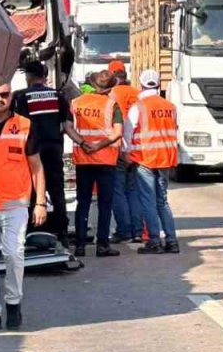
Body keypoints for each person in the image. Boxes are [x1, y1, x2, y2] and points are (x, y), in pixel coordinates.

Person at [0, 75, 48, 332]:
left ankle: (13, 304)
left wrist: (40, 203)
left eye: (4, 94)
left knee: (14, 254)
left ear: (11, 95)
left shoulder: (24, 125)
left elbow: (36, 167)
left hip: (15, 204)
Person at [69, 71, 124, 257]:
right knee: (104, 203)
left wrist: (83, 143)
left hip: (83, 160)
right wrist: (99, 145)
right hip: (106, 161)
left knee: (83, 202)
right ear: (110, 88)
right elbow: (117, 133)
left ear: (93, 84)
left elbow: (67, 126)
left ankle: (80, 245)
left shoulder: (76, 103)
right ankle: (102, 245)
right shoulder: (112, 105)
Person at [127, 70, 181, 254]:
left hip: (145, 159)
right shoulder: (170, 107)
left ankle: (154, 241)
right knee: (162, 201)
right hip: (165, 158)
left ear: (141, 85)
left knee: (148, 202)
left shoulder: (138, 107)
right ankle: (172, 241)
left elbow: (127, 133)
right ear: (158, 85)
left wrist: (126, 153)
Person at [14, 60, 70, 239]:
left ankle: (33, 230)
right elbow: (67, 125)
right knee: (56, 190)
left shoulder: (21, 97)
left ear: (28, 76)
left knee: (32, 188)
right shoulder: (58, 96)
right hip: (54, 148)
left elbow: (18, 124)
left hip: (32, 148)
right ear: (44, 76)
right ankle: (62, 231)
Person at [107, 62, 144, 244]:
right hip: (138, 150)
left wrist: (121, 149)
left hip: (119, 148)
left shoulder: (111, 95)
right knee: (133, 191)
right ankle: (137, 231)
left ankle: (124, 230)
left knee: (118, 191)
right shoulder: (137, 93)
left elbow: (118, 125)